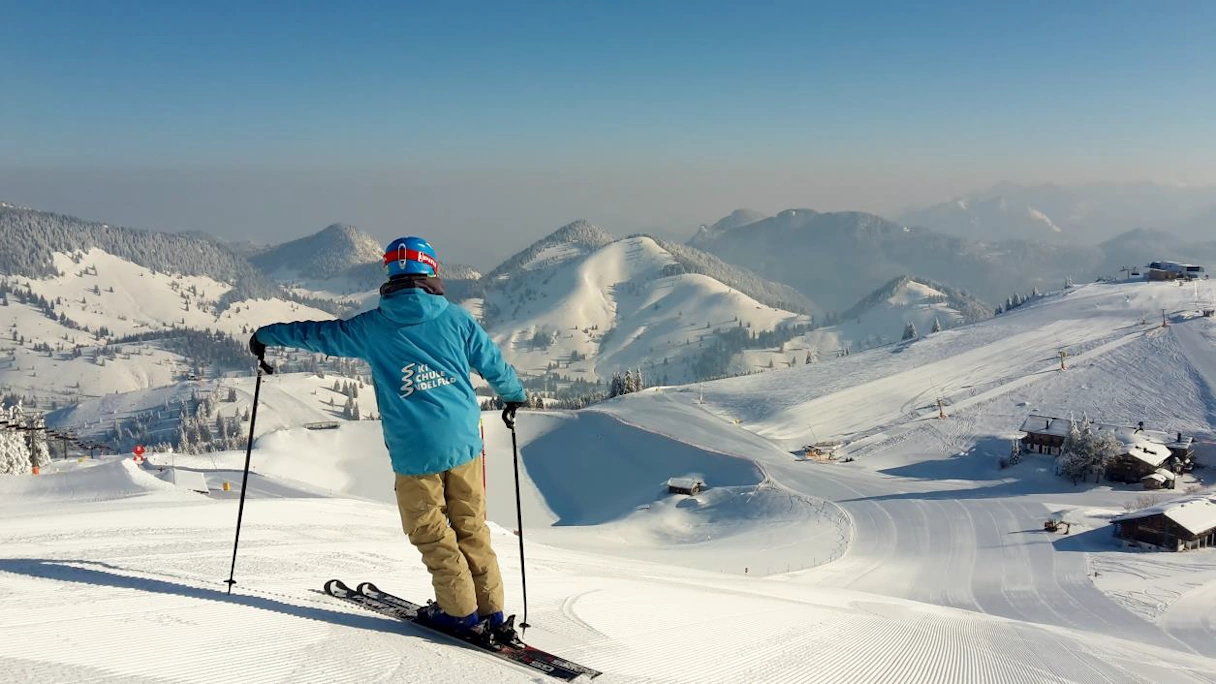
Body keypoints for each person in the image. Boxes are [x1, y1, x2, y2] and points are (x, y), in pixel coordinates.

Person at [249, 236, 527, 642]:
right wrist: (514, 396)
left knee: (430, 529)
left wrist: (266, 335)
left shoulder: (371, 328)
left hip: (415, 451)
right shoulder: (458, 319)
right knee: (471, 525)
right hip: (465, 441)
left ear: (390, 275)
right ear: (432, 269)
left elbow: (317, 335)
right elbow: (494, 364)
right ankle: (492, 611)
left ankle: (459, 613)